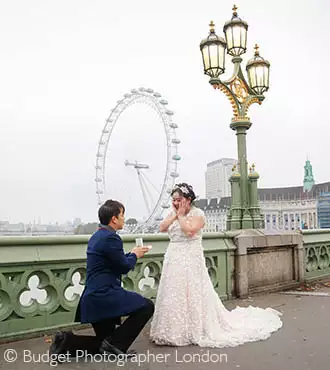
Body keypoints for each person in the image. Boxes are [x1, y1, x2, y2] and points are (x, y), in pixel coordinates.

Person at [150, 183, 282, 347]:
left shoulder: (198, 214)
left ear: (188, 199)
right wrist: (175, 214)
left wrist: (182, 215)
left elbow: (189, 231)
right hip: (174, 255)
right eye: (174, 200)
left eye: (179, 199)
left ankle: (194, 327)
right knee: (173, 290)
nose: (176, 202)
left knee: (193, 289)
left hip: (190, 256)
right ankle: (171, 329)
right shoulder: (173, 213)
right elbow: (162, 228)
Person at [49, 199, 154, 359]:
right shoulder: (112, 238)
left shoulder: (97, 236)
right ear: (114, 219)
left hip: (92, 298)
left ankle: (65, 343)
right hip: (105, 296)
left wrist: (130, 254)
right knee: (147, 306)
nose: (124, 218)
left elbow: (114, 262)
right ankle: (116, 346)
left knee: (103, 343)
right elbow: (124, 267)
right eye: (122, 215)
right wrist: (135, 255)